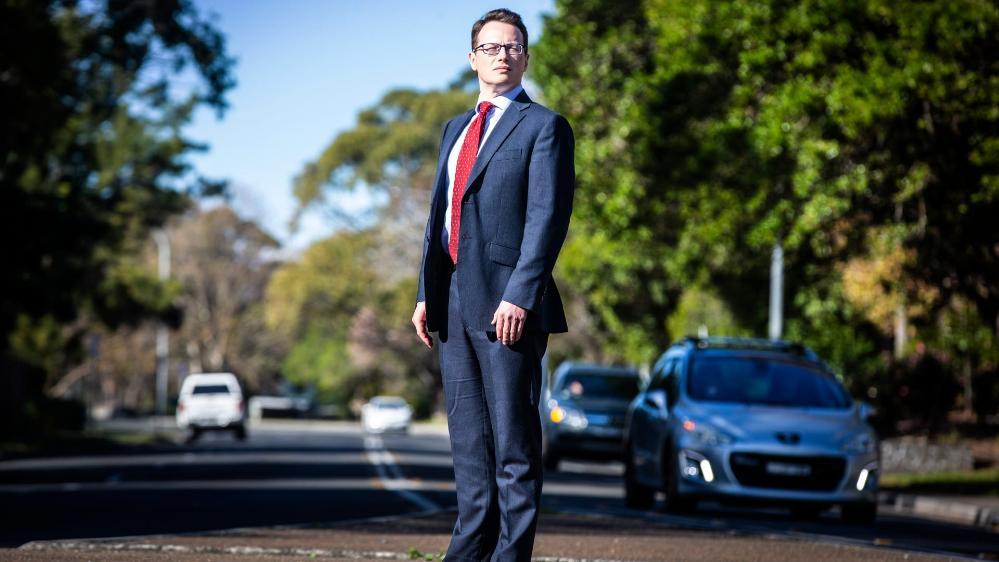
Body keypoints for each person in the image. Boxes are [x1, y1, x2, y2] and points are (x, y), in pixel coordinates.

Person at [411, 8, 575, 562]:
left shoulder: (544, 127)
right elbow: (441, 217)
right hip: (452, 305)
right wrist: (423, 293)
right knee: (469, 452)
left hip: (509, 308)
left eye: (513, 47)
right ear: (473, 57)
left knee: (513, 449)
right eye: (492, 47)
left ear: (525, 57)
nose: (502, 55)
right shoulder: (454, 130)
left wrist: (521, 295)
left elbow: (547, 219)